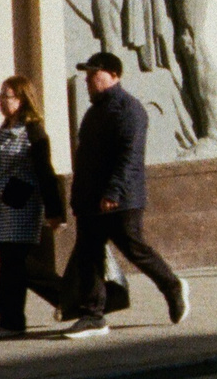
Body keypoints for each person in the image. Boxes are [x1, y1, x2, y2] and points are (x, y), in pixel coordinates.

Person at [59, 51, 188, 336]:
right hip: (91, 199)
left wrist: (114, 191)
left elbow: (130, 157)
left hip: (121, 199)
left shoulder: (130, 110)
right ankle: (93, 315)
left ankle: (172, 285)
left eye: (94, 74)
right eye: (87, 75)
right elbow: (85, 159)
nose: (88, 80)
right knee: (89, 254)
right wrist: (78, 197)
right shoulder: (93, 113)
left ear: (114, 75)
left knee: (134, 248)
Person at [0, 75, 68, 336]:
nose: (1, 101)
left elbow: (45, 172)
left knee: (15, 263)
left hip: (22, 205)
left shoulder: (33, 131)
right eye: (0, 96)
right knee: (13, 262)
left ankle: (11, 319)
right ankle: (67, 297)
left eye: (6, 96)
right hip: (2, 205)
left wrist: (55, 211)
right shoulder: (3, 130)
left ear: (21, 99)